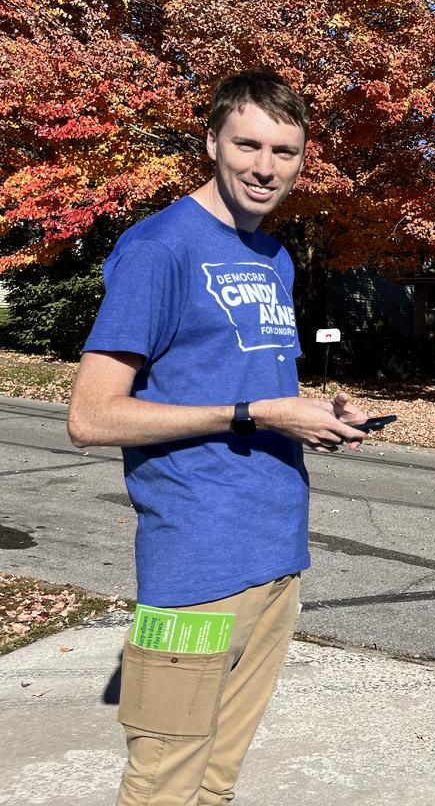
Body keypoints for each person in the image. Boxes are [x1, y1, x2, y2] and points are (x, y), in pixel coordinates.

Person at [67, 69, 369, 806]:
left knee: (215, 784)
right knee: (164, 784)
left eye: (285, 151)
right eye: (248, 144)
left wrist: (315, 410)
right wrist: (255, 413)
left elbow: (251, 381)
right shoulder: (160, 250)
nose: (265, 167)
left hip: (276, 559)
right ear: (212, 141)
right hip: (195, 574)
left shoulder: (273, 256)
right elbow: (91, 417)